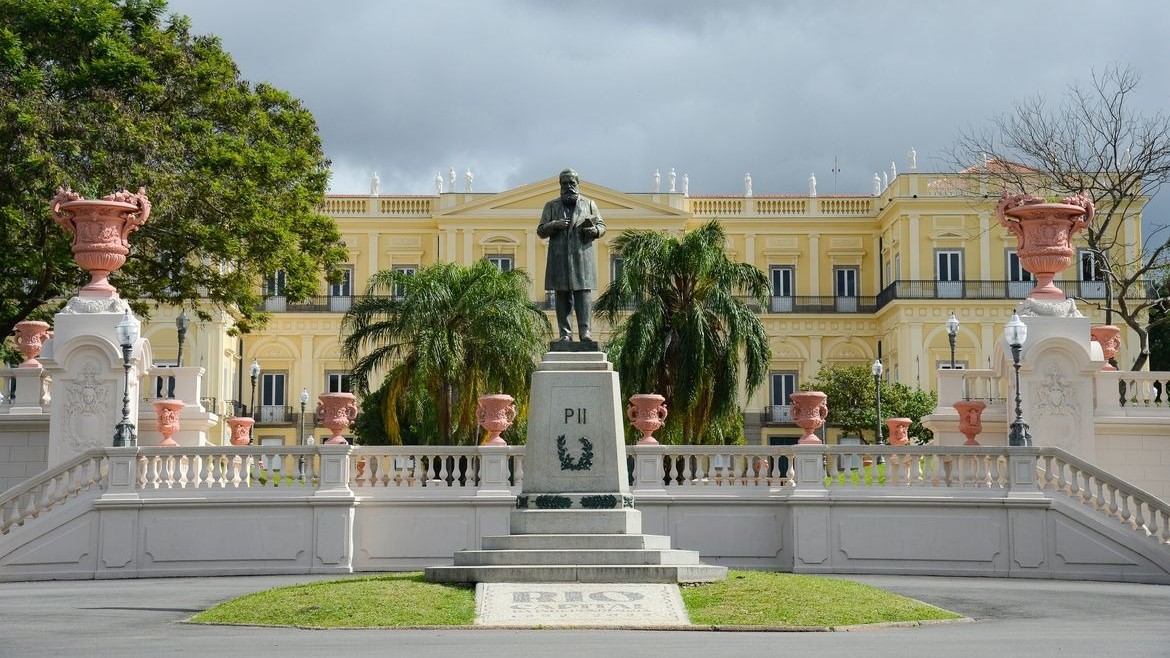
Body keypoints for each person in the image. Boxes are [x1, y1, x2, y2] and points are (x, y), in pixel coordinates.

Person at [538, 168, 605, 342]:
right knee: (562, 295)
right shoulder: (551, 206)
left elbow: (602, 226)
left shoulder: (589, 204)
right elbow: (541, 231)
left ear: (578, 184)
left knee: (583, 295)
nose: (568, 186)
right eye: (565, 183)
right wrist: (555, 224)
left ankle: (585, 333)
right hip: (559, 259)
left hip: (581, 258)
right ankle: (565, 334)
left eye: (572, 183)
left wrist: (594, 230)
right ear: (560, 185)